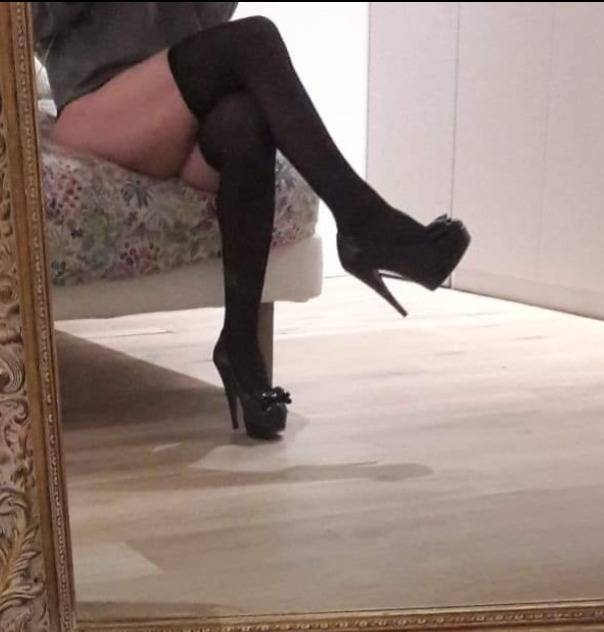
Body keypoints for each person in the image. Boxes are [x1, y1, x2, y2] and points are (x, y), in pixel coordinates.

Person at [32, 2, 471, 440]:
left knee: (245, 118)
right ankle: (365, 222)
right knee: (256, 37)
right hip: (98, 108)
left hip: (177, 108)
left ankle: (240, 347)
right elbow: (33, 22)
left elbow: (210, 21)